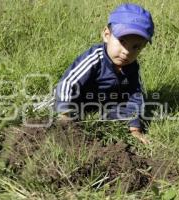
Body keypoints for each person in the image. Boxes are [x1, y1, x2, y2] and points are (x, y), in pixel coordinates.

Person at [54, 3, 154, 144]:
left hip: (106, 103)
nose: (127, 52)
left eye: (136, 47)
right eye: (122, 42)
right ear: (107, 35)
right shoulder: (95, 57)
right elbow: (69, 82)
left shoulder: (132, 66)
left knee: (121, 111)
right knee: (66, 109)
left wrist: (135, 128)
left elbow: (135, 95)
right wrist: (65, 114)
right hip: (79, 100)